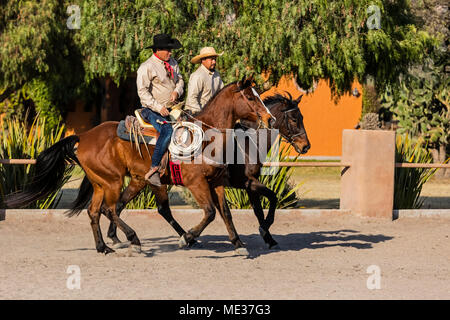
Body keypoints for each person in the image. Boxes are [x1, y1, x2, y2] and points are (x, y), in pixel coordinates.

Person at [136, 33, 184, 186]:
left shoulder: (173, 63)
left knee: (190, 126)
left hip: (172, 109)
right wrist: (158, 107)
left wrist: (177, 91)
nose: (170, 53)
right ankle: (154, 168)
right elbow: (142, 92)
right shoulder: (147, 67)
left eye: (171, 50)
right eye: (167, 50)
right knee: (167, 130)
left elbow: (181, 80)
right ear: (157, 50)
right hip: (151, 110)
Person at [185, 47, 224, 113]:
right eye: (211, 59)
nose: (214, 62)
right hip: (195, 114)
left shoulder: (216, 75)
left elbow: (222, 93)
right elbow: (192, 98)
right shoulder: (198, 76)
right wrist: (201, 114)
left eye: (215, 59)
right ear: (203, 60)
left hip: (211, 114)